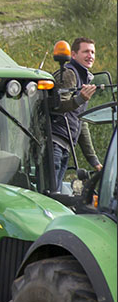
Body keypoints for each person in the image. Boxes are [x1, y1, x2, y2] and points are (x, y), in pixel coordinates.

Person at [51, 37, 102, 189]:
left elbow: (81, 121)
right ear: (73, 55)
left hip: (65, 145)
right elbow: (57, 105)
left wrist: (94, 161)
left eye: (93, 52)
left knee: (57, 193)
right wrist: (79, 99)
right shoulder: (69, 74)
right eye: (86, 51)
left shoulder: (84, 78)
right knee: (51, 193)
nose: (90, 55)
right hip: (54, 142)